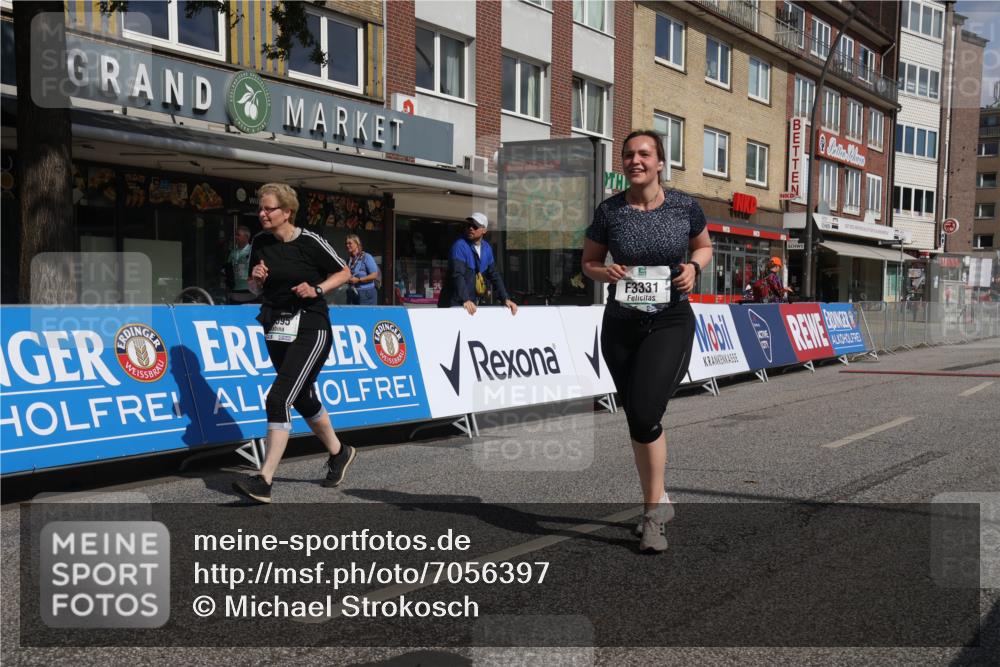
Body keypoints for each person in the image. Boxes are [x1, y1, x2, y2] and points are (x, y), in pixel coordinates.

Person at [581, 129, 712, 553]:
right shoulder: (609, 211)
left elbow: (705, 247)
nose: (635, 160)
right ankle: (660, 500)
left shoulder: (683, 206)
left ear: (659, 162)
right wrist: (607, 273)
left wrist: (694, 266)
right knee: (638, 419)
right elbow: (588, 263)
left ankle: (653, 514)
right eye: (629, 155)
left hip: (669, 320)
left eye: (644, 154)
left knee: (645, 408)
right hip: (620, 323)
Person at [232, 183, 356, 504]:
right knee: (299, 396)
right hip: (276, 326)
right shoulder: (260, 242)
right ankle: (339, 452)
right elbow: (255, 288)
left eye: (268, 208)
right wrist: (256, 280)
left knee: (278, 398)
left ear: (287, 212)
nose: (262, 213)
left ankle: (264, 479)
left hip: (311, 327)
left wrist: (316, 289)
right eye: (260, 208)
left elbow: (344, 272)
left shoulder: (309, 241)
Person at [437, 212, 517, 316]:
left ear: (484, 230)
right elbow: (458, 274)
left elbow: (494, 275)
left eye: (475, 226)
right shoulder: (460, 246)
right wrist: (466, 299)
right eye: (468, 225)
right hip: (452, 304)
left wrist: (505, 298)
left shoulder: (487, 248)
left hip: (470, 304)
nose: (471, 228)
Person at [345, 234, 380, 305]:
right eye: (346, 243)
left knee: (366, 316)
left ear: (357, 244)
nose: (347, 245)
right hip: (353, 292)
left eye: (350, 243)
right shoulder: (349, 259)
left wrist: (358, 280)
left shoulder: (367, 257)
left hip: (366, 293)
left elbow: (374, 275)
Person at [226, 225, 257, 304]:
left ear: (246, 237)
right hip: (235, 290)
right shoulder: (233, 252)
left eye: (238, 235)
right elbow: (228, 268)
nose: (236, 237)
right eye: (235, 235)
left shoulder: (252, 251)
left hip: (249, 290)